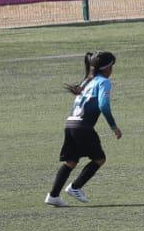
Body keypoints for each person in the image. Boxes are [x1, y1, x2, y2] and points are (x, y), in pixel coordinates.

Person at [46, 51, 122, 207]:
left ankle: (53, 196)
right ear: (107, 68)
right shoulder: (103, 82)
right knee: (99, 159)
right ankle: (75, 187)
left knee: (71, 161)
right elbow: (103, 105)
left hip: (70, 124)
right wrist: (114, 126)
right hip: (83, 127)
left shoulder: (88, 81)